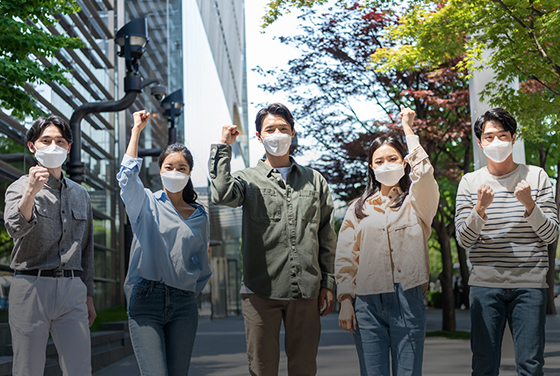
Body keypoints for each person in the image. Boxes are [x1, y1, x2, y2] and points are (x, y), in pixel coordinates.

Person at [209, 103, 337, 375]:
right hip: (259, 291)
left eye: (283, 128)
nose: (277, 134)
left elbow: (326, 235)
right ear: (259, 136)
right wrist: (223, 147)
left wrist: (328, 283)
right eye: (270, 129)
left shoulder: (315, 180)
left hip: (306, 290)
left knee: (304, 368)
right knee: (261, 368)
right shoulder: (247, 178)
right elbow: (221, 194)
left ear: (293, 133)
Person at [336, 106, 439, 376]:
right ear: (371, 167)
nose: (385, 165)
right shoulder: (357, 208)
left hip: (408, 297)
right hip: (366, 303)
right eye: (379, 161)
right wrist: (345, 299)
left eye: (392, 158)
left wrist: (407, 128)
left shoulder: (417, 202)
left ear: (404, 162)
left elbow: (425, 172)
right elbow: (346, 257)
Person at [455, 108, 558, 376]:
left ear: (514, 138)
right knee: (484, 365)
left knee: (531, 365)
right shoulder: (469, 182)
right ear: (480, 143)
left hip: (529, 284)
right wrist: (479, 209)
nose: (496, 142)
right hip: (485, 284)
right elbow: (464, 240)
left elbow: (551, 235)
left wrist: (529, 205)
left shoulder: (536, 177)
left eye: (502, 135)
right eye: (489, 137)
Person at [118, 110, 212, 376]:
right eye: (169, 167)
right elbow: (126, 178)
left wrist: (187, 289)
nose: (174, 172)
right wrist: (137, 130)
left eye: (181, 168)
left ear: (190, 173)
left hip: (183, 304)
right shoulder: (145, 203)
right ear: (160, 171)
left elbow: (201, 265)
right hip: (146, 299)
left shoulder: (200, 216)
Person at [4, 115, 96, 375]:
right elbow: (14, 228)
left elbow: (86, 248)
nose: (53, 146)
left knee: (80, 369)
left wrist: (88, 296)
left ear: (69, 148)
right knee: (28, 369)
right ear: (32, 146)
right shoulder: (18, 188)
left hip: (72, 288)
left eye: (59, 141)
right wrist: (31, 191)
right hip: (31, 286)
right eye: (45, 140)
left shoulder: (80, 194)